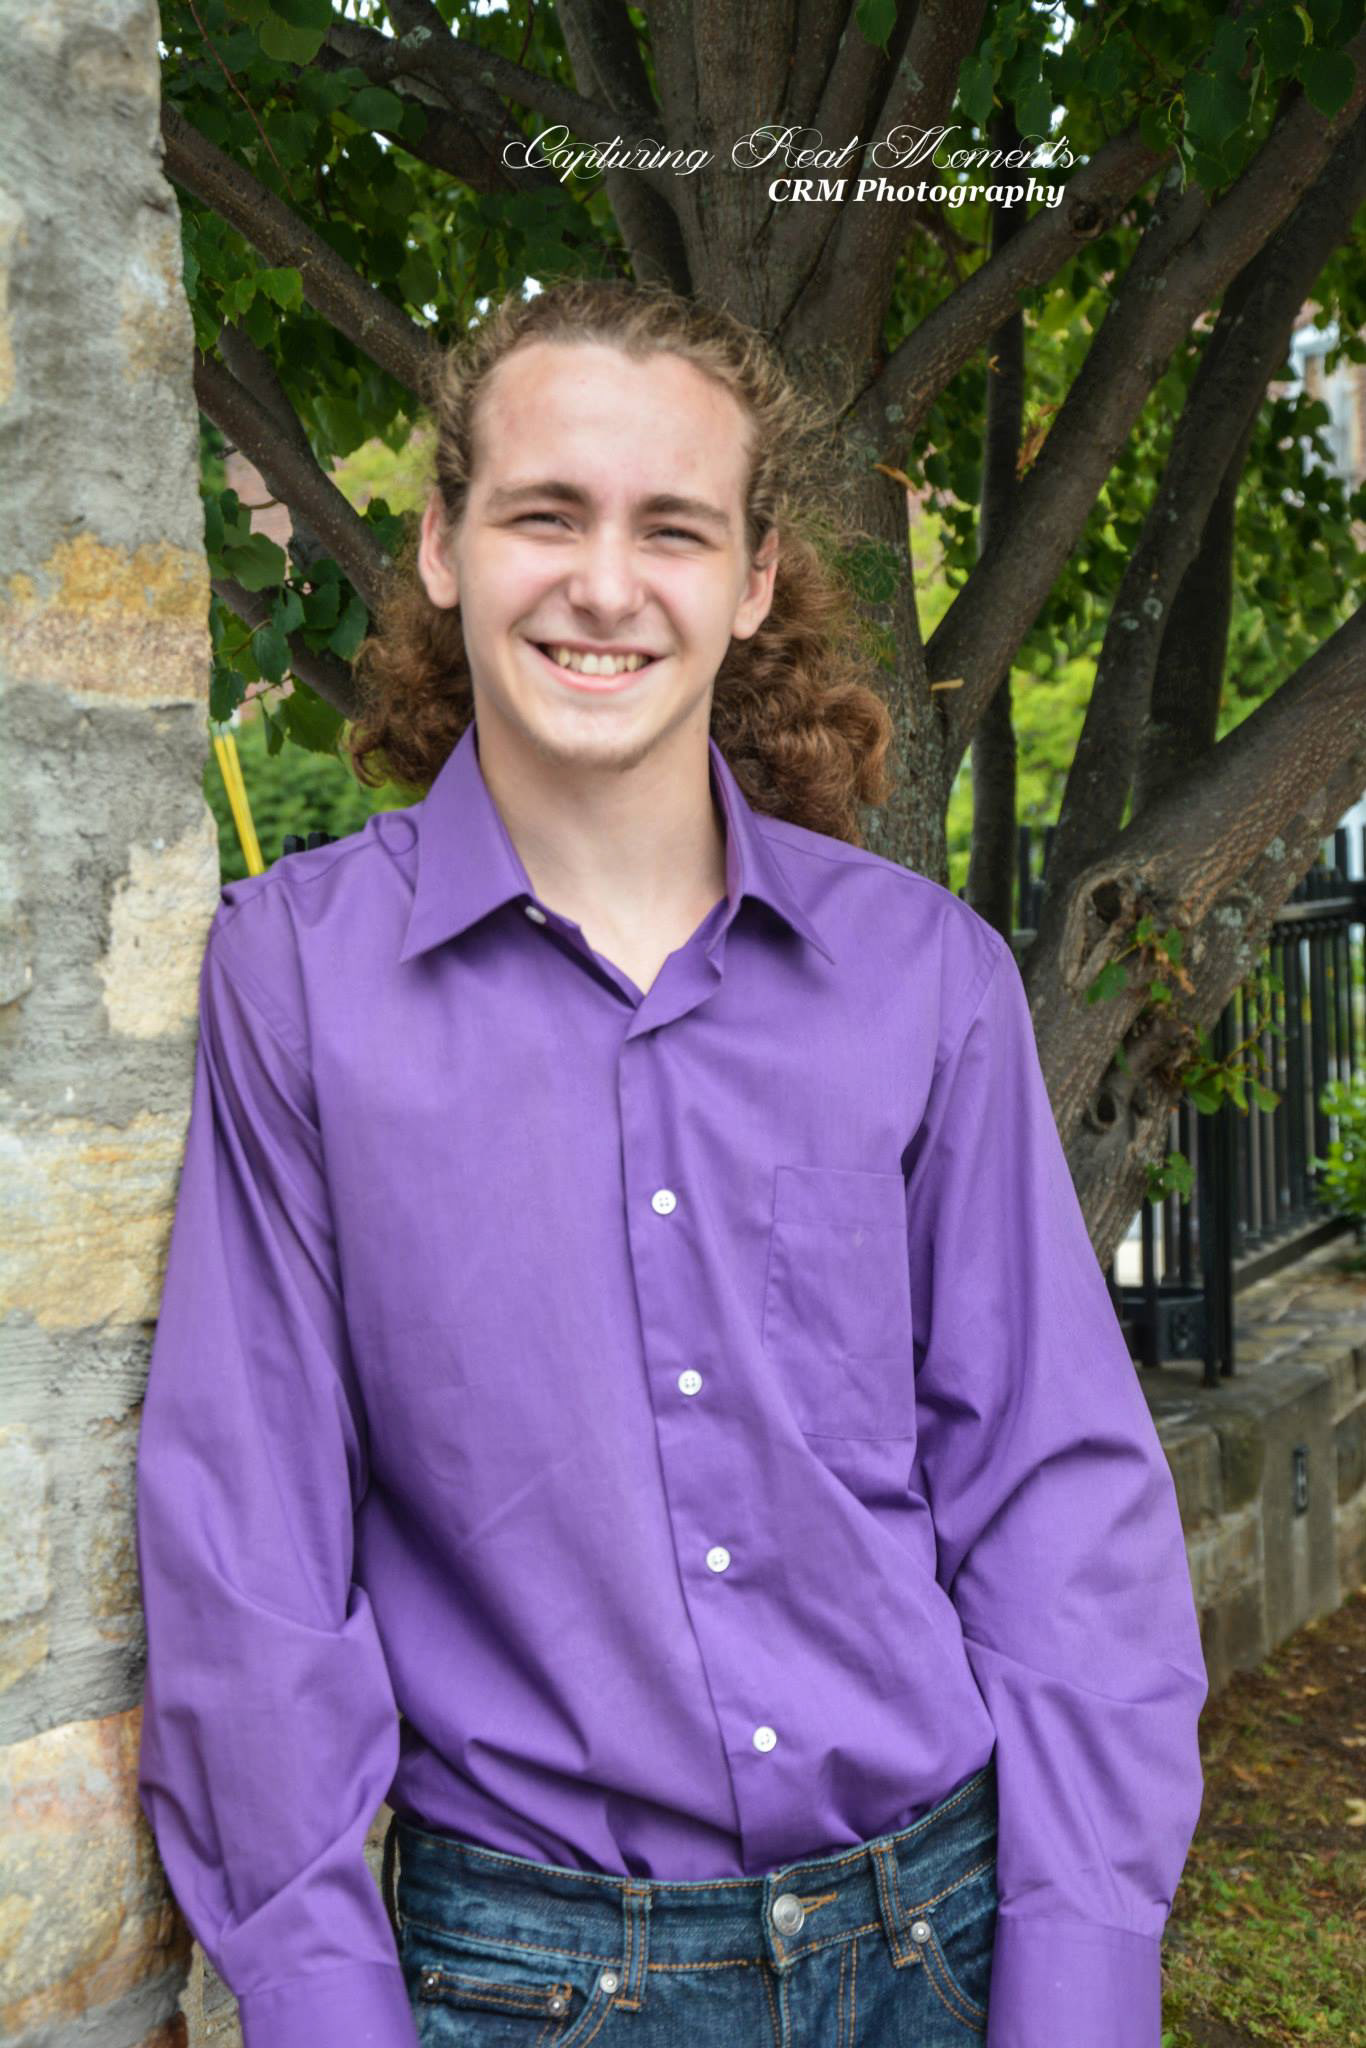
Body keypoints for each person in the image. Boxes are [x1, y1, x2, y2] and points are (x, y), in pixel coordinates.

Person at [135, 278, 1208, 2048]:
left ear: (754, 578)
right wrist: (322, 2002)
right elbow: (252, 1554)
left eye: (673, 529)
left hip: (938, 1940)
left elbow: (1049, 1496)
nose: (605, 585)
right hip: (529, 1976)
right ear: (443, 546)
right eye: (545, 514)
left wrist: (1080, 1975)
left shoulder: (923, 979)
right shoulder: (299, 981)